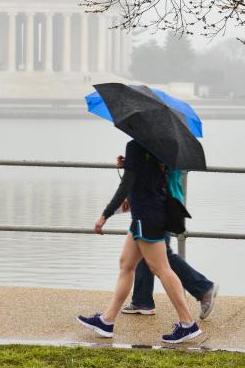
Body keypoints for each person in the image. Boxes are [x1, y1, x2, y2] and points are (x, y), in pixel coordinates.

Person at [77, 139, 202, 344]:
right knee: (126, 264)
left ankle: (188, 323)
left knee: (162, 269)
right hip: (148, 215)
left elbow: (126, 185)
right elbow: (150, 175)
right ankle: (106, 321)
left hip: (146, 216)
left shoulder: (136, 145)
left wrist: (105, 215)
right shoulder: (160, 146)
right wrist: (129, 164)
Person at [117, 156, 218, 319]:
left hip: (158, 205)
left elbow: (155, 173)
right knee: (145, 248)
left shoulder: (162, 146)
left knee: (161, 255)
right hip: (158, 204)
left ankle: (203, 289)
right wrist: (130, 163)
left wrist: (132, 165)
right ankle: (142, 300)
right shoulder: (164, 143)